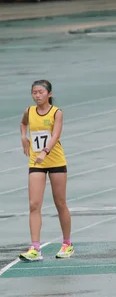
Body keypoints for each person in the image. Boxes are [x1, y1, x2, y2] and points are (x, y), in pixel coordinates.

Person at [19, 80, 74, 262]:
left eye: (41, 92)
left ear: (49, 94)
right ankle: (35, 248)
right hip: (36, 163)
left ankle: (67, 243)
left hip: (55, 160)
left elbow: (56, 134)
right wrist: (24, 138)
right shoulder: (29, 111)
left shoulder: (56, 112)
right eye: (34, 92)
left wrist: (45, 151)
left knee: (60, 203)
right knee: (34, 204)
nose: (37, 95)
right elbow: (23, 124)